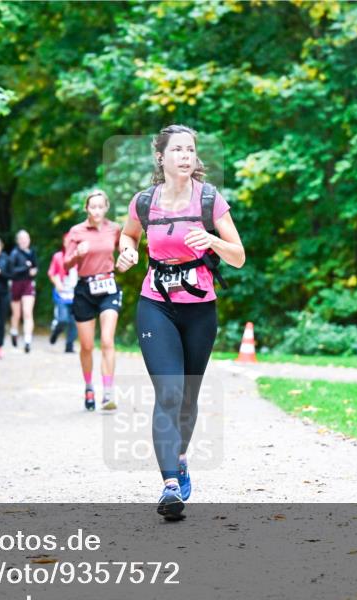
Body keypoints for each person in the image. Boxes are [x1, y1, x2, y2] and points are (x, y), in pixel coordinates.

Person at [117, 125, 245, 519]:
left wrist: (212, 241)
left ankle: (181, 457)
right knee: (169, 392)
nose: (185, 156)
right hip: (156, 304)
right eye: (177, 150)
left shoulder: (209, 199)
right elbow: (128, 236)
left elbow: (238, 256)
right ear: (161, 157)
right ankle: (170, 484)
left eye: (190, 150)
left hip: (200, 308)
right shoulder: (144, 202)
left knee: (188, 396)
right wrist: (127, 252)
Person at [64, 191, 122, 411]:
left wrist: (127, 256)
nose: (96, 211)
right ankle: (89, 387)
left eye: (100, 206)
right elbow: (65, 264)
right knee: (87, 346)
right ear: (86, 208)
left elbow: (125, 248)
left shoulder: (114, 229)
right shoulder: (76, 231)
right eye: (92, 207)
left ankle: (107, 393)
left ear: (106, 207)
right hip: (85, 290)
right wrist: (77, 255)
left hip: (108, 287)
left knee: (107, 340)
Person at [8, 230, 38, 353]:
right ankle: (14, 331)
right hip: (16, 284)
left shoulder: (32, 252)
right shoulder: (14, 253)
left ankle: (27, 340)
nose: (24, 241)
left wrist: (34, 271)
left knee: (27, 312)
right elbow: (11, 271)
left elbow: (35, 267)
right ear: (18, 241)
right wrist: (25, 268)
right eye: (22, 239)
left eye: (26, 238)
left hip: (28, 284)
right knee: (16, 314)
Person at [48, 234, 78, 354]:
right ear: (64, 242)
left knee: (74, 321)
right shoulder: (58, 257)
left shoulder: (78, 257)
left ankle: (69, 346)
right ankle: (56, 332)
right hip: (61, 294)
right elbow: (51, 273)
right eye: (67, 241)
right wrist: (57, 283)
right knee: (63, 319)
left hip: (75, 294)